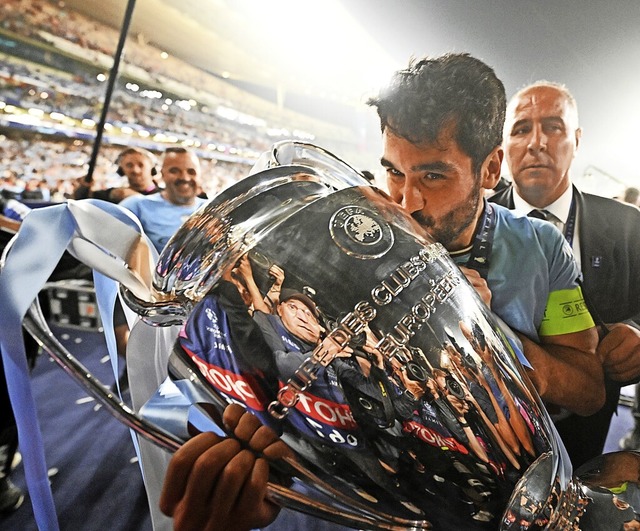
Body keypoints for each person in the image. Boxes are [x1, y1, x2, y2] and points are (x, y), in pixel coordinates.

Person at [159, 54, 604, 530]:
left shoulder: (542, 247)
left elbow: (589, 389)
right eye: (394, 172)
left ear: (491, 169)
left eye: (433, 175)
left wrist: (485, 336)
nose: (406, 202)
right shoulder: (342, 240)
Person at [490, 81, 640, 467]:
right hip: (490, 441)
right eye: (521, 128)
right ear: (503, 146)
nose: (536, 142)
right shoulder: (472, 224)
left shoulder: (626, 225)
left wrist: (637, 332)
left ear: (576, 139)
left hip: (584, 441)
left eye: (553, 127)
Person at [120, 147, 208, 253]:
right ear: (162, 174)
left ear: (200, 175)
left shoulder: (214, 210)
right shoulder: (136, 207)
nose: (184, 177)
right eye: (174, 171)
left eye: (191, 171)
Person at [73, 147, 161, 203]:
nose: (135, 170)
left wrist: (136, 199)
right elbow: (83, 201)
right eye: (129, 165)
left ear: (152, 168)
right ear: (121, 170)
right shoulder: (115, 195)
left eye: (141, 165)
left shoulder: (166, 197)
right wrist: (83, 187)